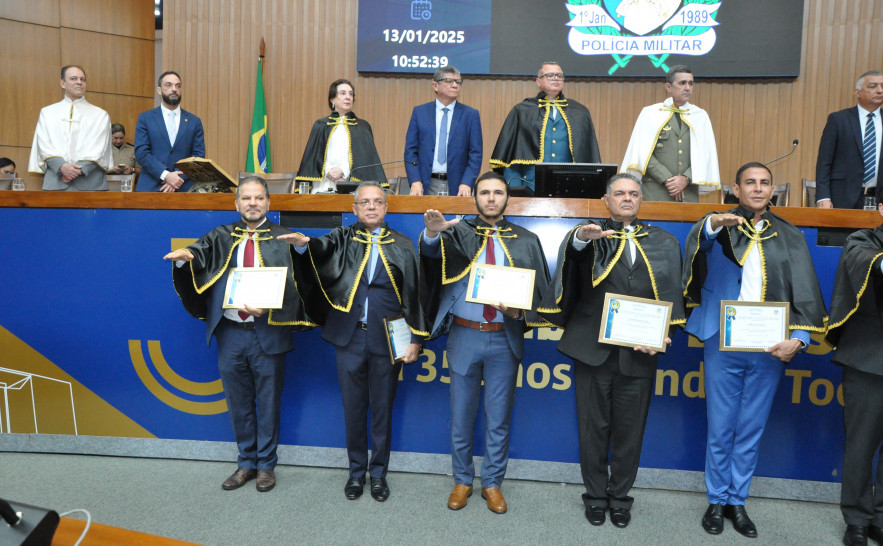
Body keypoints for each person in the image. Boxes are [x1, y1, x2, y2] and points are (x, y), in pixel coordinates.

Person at [682, 162, 827, 538]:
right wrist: (715, 223)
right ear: (736, 188)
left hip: (770, 346)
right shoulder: (718, 226)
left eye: (765, 183)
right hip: (722, 341)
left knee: (751, 427)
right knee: (721, 425)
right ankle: (715, 499)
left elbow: (806, 293)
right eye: (750, 182)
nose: (758, 189)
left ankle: (737, 501)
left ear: (773, 190)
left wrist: (801, 338)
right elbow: (697, 242)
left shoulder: (790, 235)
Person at [538, 173, 685, 528]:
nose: (627, 198)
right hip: (593, 350)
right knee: (592, 429)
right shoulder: (590, 235)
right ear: (606, 200)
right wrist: (578, 240)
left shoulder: (663, 241)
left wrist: (663, 332)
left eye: (633, 193)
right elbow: (571, 258)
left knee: (630, 432)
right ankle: (594, 497)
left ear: (641, 200)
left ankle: (620, 498)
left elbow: (670, 296)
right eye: (619, 193)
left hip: (639, 351)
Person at [278, 182, 429, 502]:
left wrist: (416, 338)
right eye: (365, 203)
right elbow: (318, 249)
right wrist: (304, 246)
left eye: (378, 202)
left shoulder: (402, 244)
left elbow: (416, 295)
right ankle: (356, 474)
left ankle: (378, 475)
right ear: (354, 209)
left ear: (386, 208)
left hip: (390, 339)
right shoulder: (342, 238)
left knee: (382, 410)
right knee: (353, 408)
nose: (372, 207)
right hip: (350, 337)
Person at [163, 176, 312, 492]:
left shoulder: (283, 237)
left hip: (269, 331)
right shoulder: (221, 235)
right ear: (237, 203)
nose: (253, 204)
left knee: (268, 402)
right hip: (231, 332)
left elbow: (303, 285)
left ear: (268, 203)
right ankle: (246, 463)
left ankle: (266, 466)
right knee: (238, 401)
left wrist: (301, 252)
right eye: (247, 198)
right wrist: (183, 261)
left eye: (259, 198)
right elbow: (197, 253)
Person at [419, 171, 551, 514]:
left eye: (498, 192)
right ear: (474, 197)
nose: (491, 198)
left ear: (507, 198)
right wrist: (433, 233)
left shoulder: (526, 240)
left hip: (504, 338)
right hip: (463, 335)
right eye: (485, 192)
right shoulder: (457, 231)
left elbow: (540, 295)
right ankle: (462, 480)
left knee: (498, 418)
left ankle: (492, 483)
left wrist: (520, 314)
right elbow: (431, 257)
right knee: (461, 416)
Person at [826, 195, 883, 546]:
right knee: (861, 444)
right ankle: (857, 519)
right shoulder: (862, 241)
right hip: (868, 359)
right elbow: (870, 265)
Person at [490, 62, 600, 194]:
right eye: (550, 75)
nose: (556, 78)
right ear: (538, 81)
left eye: (559, 75)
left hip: (568, 184)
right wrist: (514, 189)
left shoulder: (580, 112)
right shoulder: (522, 110)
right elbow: (511, 155)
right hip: (529, 184)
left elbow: (588, 154)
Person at [621, 65, 720, 202]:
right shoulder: (650, 113)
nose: (687, 88)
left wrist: (685, 178)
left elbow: (705, 155)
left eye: (690, 83)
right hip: (656, 190)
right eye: (682, 83)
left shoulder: (700, 116)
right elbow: (642, 153)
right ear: (668, 87)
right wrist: (668, 179)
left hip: (688, 190)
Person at [28, 65, 113, 191]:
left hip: (91, 185)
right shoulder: (47, 113)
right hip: (56, 183)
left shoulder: (100, 115)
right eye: (73, 78)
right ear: (62, 83)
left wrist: (76, 171)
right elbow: (43, 145)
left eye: (82, 79)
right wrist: (62, 167)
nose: (79, 82)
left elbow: (99, 148)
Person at [296, 79, 387, 194]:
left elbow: (365, 159)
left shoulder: (362, 127)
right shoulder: (321, 125)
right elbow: (313, 157)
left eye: (350, 94)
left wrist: (343, 171)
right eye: (343, 93)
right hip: (323, 183)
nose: (348, 97)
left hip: (352, 186)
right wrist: (329, 171)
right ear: (332, 99)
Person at [404, 66, 482, 196]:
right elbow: (410, 151)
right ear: (435, 85)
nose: (455, 85)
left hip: (458, 185)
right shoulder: (420, 112)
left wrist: (467, 182)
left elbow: (476, 154)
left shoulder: (470, 115)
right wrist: (415, 181)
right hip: (425, 183)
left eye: (458, 82)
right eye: (449, 81)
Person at [816, 70, 883, 209]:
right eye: (873, 86)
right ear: (857, 92)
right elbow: (824, 162)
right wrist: (823, 196)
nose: (879, 90)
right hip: (842, 197)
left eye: (882, 86)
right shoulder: (838, 119)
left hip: (879, 200)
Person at [135, 71, 206, 192]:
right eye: (168, 85)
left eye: (178, 86)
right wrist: (165, 175)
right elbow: (141, 152)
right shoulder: (145, 118)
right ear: (159, 90)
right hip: (151, 186)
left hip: (184, 187)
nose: (174, 89)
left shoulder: (194, 121)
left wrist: (178, 178)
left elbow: (198, 156)